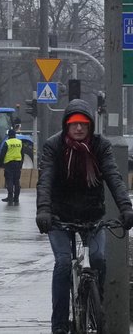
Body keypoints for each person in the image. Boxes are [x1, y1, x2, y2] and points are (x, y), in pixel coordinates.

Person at [36, 99, 133, 334]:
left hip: (92, 216)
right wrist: (43, 210)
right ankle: (59, 325)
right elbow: (45, 180)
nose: (79, 128)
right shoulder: (54, 146)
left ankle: (94, 301)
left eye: (83, 124)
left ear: (90, 125)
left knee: (99, 259)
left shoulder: (101, 146)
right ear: (66, 126)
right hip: (59, 217)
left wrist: (126, 207)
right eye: (73, 124)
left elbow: (113, 176)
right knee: (62, 265)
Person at [0, 128, 26, 204]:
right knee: (16, 181)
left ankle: (10, 197)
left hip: (9, 164)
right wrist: (21, 163)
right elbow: (22, 154)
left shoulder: (7, 142)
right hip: (18, 164)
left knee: (9, 181)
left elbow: (2, 154)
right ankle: (16, 198)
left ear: (9, 135)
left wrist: (1, 163)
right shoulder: (20, 142)